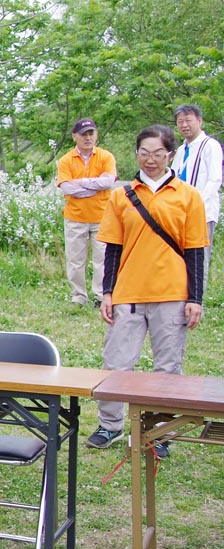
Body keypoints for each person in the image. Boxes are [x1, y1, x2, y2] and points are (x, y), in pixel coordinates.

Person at [87, 124, 208, 454]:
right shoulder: (121, 195)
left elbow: (196, 250)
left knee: (167, 369)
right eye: (144, 152)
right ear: (136, 154)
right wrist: (107, 292)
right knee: (116, 362)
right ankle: (109, 424)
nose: (150, 159)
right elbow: (112, 246)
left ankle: (159, 432)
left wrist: (195, 298)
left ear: (170, 155)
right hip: (128, 292)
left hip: (172, 292)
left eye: (158, 153)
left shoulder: (188, 196)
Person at [56, 119, 117, 306]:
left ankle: (100, 296)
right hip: (75, 218)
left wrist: (81, 182)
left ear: (96, 135)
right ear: (75, 137)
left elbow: (108, 181)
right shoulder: (66, 160)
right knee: (75, 260)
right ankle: (79, 296)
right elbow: (67, 188)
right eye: (84, 134)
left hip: (102, 217)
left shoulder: (106, 157)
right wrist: (94, 185)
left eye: (91, 133)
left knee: (102, 259)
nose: (88, 138)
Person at [171, 104, 221, 277]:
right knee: (179, 257)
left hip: (202, 211)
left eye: (188, 120)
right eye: (180, 121)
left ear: (200, 121)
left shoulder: (210, 146)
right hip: (179, 212)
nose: (184, 125)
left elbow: (214, 180)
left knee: (199, 258)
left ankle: (197, 300)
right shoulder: (181, 150)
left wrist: (196, 204)